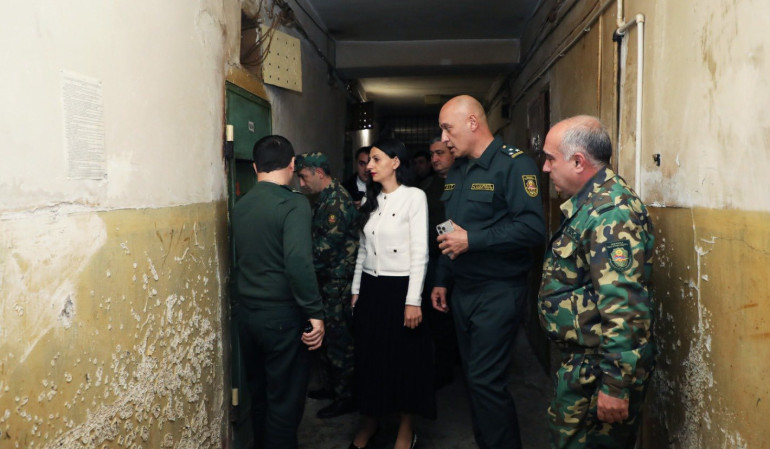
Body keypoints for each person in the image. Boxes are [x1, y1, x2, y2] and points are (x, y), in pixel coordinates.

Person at [430, 95, 546, 449]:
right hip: (462, 290)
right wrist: (442, 279)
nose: (444, 138)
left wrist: (474, 240)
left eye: (447, 128)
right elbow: (450, 229)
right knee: (474, 381)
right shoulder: (458, 170)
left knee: (485, 381)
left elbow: (532, 229)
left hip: (498, 291)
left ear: (472, 123)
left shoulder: (515, 166)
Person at [539, 116, 655, 449]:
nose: (545, 168)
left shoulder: (611, 212)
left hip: (600, 370)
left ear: (578, 162)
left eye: (550, 159)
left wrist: (615, 386)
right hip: (585, 366)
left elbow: (625, 306)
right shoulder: (590, 205)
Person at [231, 135, 325, 449]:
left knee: (260, 398)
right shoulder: (293, 203)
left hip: (248, 317)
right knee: (284, 405)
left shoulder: (241, 205)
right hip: (282, 318)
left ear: (255, 166)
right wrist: (315, 312)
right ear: (292, 164)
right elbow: (298, 262)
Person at [349, 139, 434, 449]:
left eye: (376, 159)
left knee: (404, 362)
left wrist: (413, 300)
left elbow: (420, 252)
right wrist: (356, 290)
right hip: (371, 288)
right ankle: (370, 422)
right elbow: (362, 250)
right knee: (370, 359)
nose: (369, 166)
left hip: (400, 289)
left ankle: (406, 430)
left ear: (396, 162)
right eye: (368, 160)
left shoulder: (414, 197)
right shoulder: (371, 200)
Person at [294, 152, 359, 419]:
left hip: (337, 283)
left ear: (319, 173)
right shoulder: (324, 199)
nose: (301, 184)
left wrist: (298, 266)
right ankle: (332, 387)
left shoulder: (336, 202)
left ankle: (346, 397)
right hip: (327, 281)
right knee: (327, 339)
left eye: (304, 177)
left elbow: (325, 250)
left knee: (339, 341)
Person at [419, 137, 458, 389]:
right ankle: (443, 368)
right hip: (433, 261)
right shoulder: (426, 188)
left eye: (440, 153)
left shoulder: (465, 183)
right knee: (437, 315)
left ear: (453, 153)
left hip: (463, 259)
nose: (435, 158)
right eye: (432, 153)